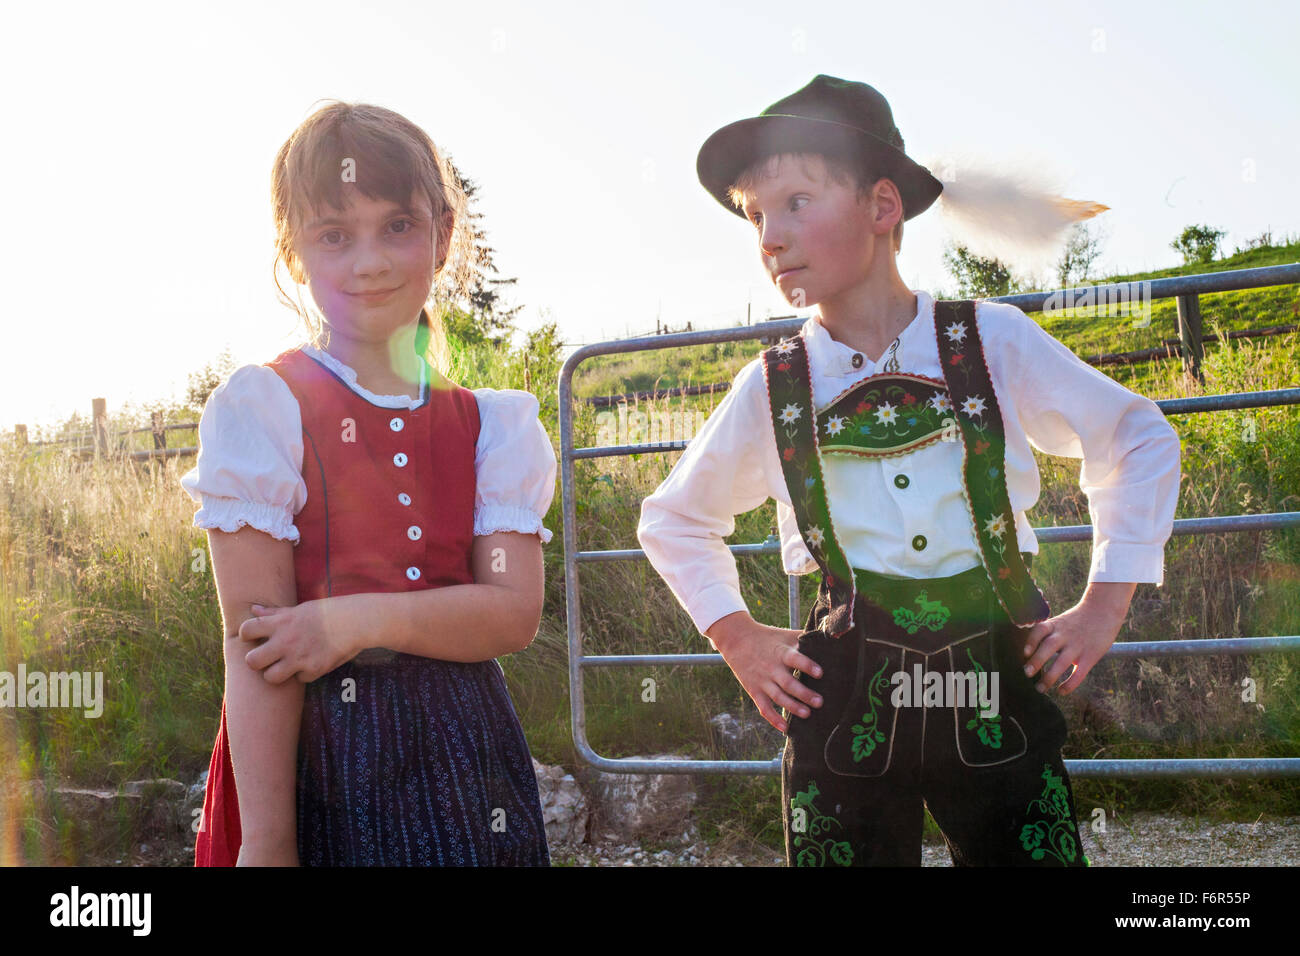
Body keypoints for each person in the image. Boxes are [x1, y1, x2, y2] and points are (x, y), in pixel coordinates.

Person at [636, 75, 1181, 866]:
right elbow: (674, 517)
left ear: (883, 207)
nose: (768, 237)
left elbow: (1137, 436)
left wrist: (1103, 603)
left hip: (995, 665)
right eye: (755, 216)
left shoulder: (988, 339)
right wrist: (738, 638)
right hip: (847, 681)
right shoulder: (773, 382)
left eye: (794, 203)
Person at [181, 102, 555, 867]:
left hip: (463, 758)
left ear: (443, 235)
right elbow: (250, 643)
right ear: (294, 255)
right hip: (317, 761)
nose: (370, 261)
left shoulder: (496, 426)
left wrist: (350, 623)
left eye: (397, 226)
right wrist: (269, 843)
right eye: (333, 235)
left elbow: (512, 613)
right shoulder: (264, 410)